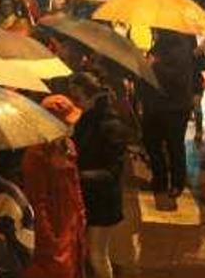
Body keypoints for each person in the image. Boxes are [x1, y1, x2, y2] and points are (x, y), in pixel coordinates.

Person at [68, 72, 128, 278]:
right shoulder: (88, 119)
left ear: (89, 95)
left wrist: (80, 175)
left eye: (77, 97)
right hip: (90, 198)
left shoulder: (110, 124)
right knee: (89, 254)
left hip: (104, 202)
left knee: (97, 256)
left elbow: (113, 173)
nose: (75, 103)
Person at [22, 95, 87, 278]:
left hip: (70, 226)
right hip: (53, 232)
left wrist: (81, 215)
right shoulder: (37, 154)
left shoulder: (68, 146)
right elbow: (36, 202)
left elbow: (75, 185)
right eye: (67, 122)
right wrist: (49, 241)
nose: (72, 126)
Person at [141, 30, 196, 198]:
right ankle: (160, 179)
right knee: (152, 143)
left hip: (175, 107)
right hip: (154, 105)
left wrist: (154, 65)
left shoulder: (181, 49)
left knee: (174, 146)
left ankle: (177, 183)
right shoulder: (157, 46)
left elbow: (179, 79)